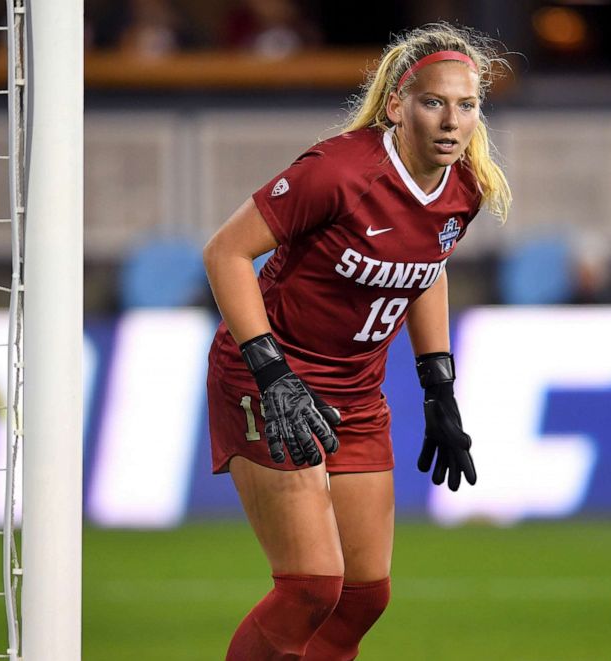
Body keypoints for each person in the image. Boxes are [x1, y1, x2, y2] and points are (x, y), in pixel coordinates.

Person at [201, 22, 510, 660]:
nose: (452, 121)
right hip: (269, 379)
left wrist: (438, 388)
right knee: (312, 587)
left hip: (356, 393)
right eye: (434, 102)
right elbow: (225, 252)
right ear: (397, 105)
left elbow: (428, 266)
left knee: (364, 596)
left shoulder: (465, 188)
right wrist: (272, 373)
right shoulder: (338, 171)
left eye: (468, 105)